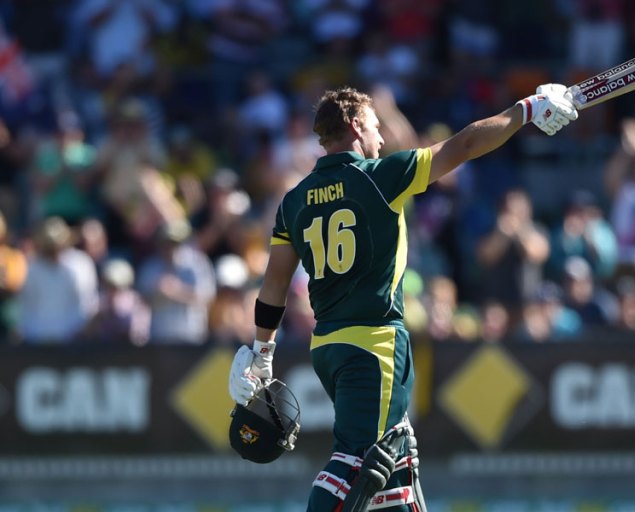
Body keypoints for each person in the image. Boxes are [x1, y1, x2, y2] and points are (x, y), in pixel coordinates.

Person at [227, 84, 577, 511]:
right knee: (356, 458)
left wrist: (262, 350)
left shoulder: (294, 201)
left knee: (397, 459)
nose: (381, 138)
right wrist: (528, 109)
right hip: (374, 347)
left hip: (329, 348)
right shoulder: (381, 177)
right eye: (376, 127)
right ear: (356, 127)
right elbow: (464, 144)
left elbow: (275, 283)